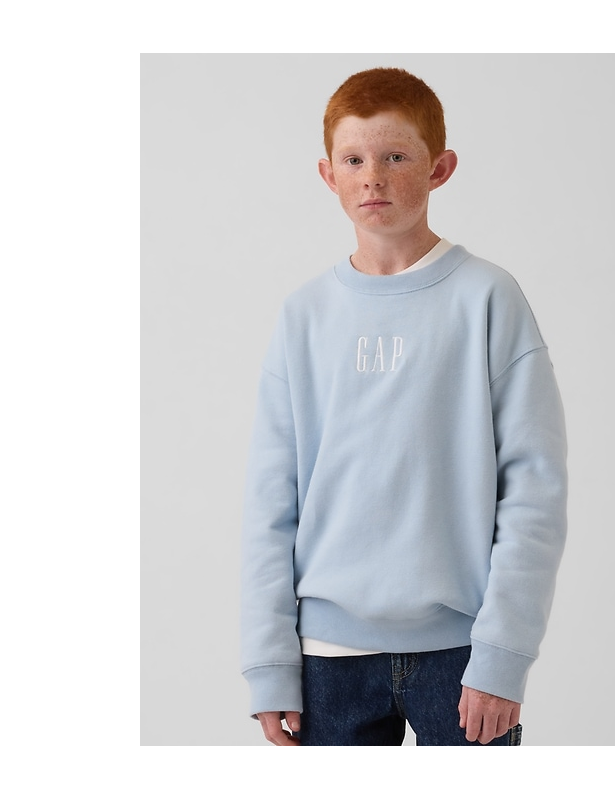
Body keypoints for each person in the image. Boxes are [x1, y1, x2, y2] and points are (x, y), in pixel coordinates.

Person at [240, 66, 568, 747]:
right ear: (328, 175)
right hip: (327, 659)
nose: (373, 179)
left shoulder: (487, 299)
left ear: (439, 168)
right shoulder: (304, 316)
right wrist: (270, 663)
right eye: (354, 160)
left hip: (463, 653)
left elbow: (535, 489)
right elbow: (271, 501)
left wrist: (504, 653)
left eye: (396, 157)